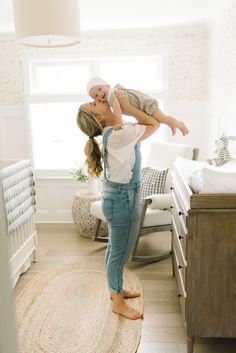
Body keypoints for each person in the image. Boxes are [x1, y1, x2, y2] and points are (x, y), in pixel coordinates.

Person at [77, 90, 160, 320]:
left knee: (116, 249)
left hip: (122, 197)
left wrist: (121, 111)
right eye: (95, 103)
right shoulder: (115, 135)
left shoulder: (116, 131)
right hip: (121, 200)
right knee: (120, 254)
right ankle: (117, 301)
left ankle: (116, 291)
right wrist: (126, 105)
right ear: (98, 119)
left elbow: (144, 126)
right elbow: (153, 124)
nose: (101, 99)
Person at [87, 76, 189, 136]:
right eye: (96, 96)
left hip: (145, 104)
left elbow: (117, 109)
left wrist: (118, 122)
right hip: (142, 105)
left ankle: (180, 124)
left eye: (100, 89)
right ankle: (171, 124)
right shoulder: (112, 94)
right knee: (161, 119)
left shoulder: (111, 95)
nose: (100, 94)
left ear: (107, 85)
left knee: (162, 118)